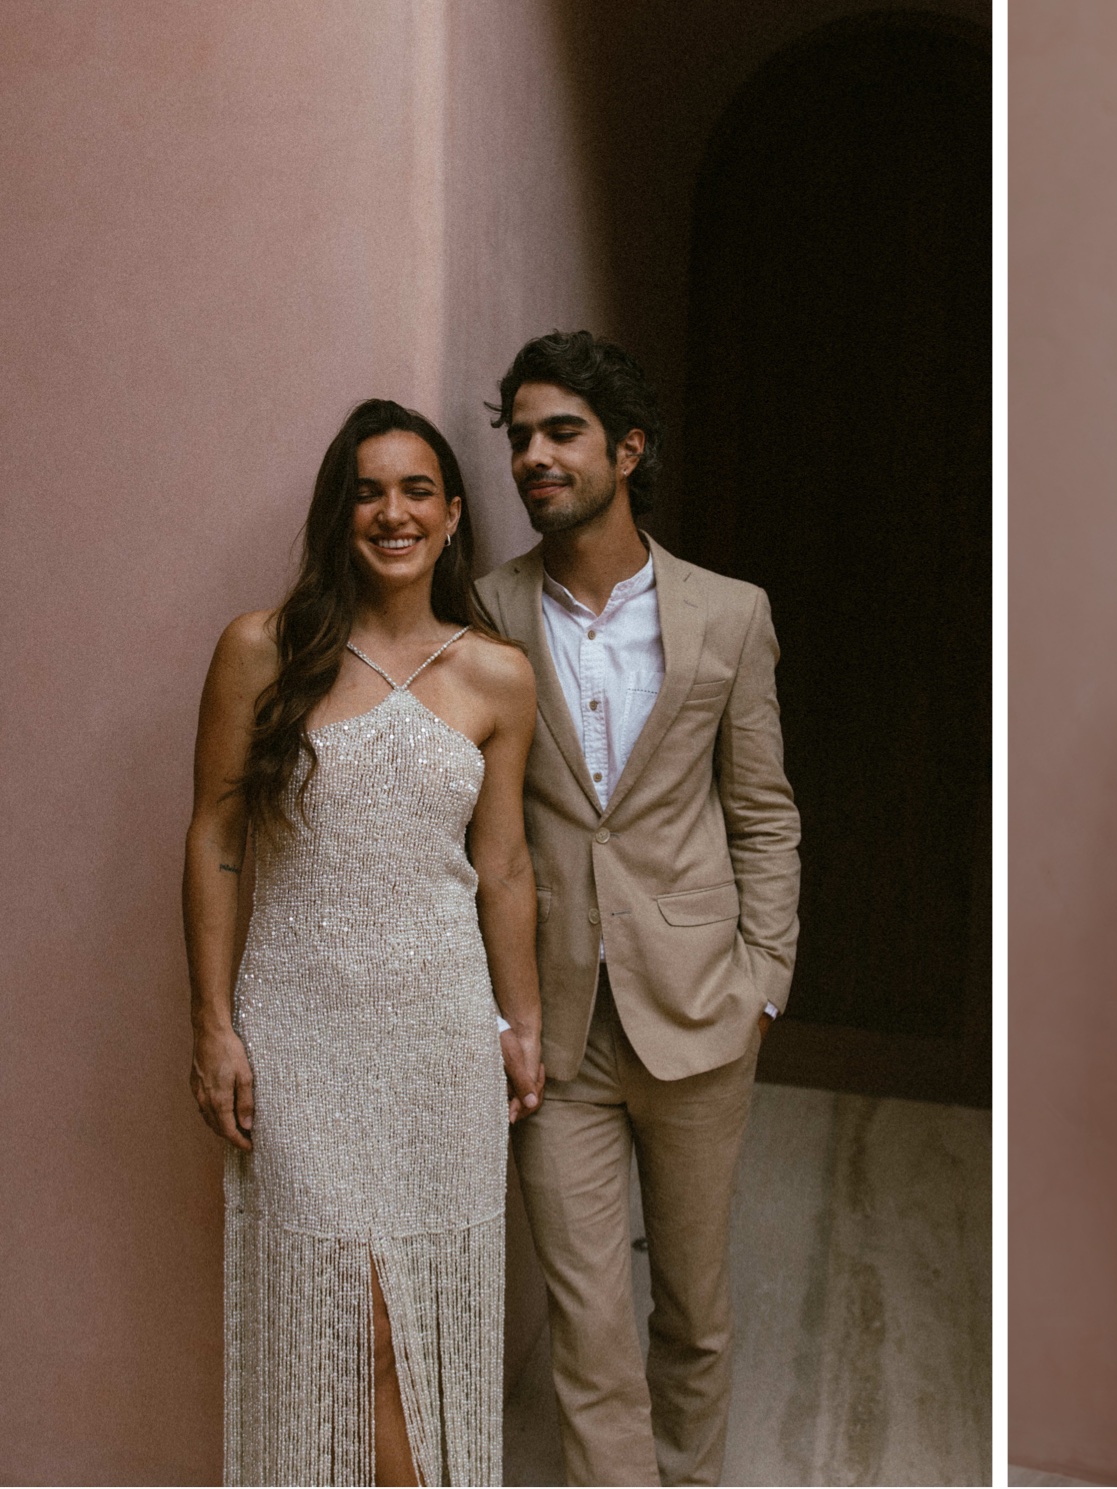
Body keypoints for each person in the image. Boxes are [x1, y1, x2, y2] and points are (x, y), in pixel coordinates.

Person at [183, 399, 544, 1485]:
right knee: (345, 1329)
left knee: (411, 1330)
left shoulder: (496, 674)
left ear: (450, 512)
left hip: (438, 1040)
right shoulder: (262, 647)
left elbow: (508, 868)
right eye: (367, 489)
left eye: (416, 488)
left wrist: (522, 1025)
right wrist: (212, 1024)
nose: (392, 511)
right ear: (339, 511)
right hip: (300, 1033)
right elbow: (215, 835)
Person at [473, 331, 801, 1486]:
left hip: (701, 1009)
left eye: (560, 432)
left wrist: (764, 978)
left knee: (692, 1312)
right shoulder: (484, 612)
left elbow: (762, 811)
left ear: (627, 448)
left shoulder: (728, 613)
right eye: (518, 436)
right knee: (588, 1325)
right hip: (551, 1025)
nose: (533, 456)